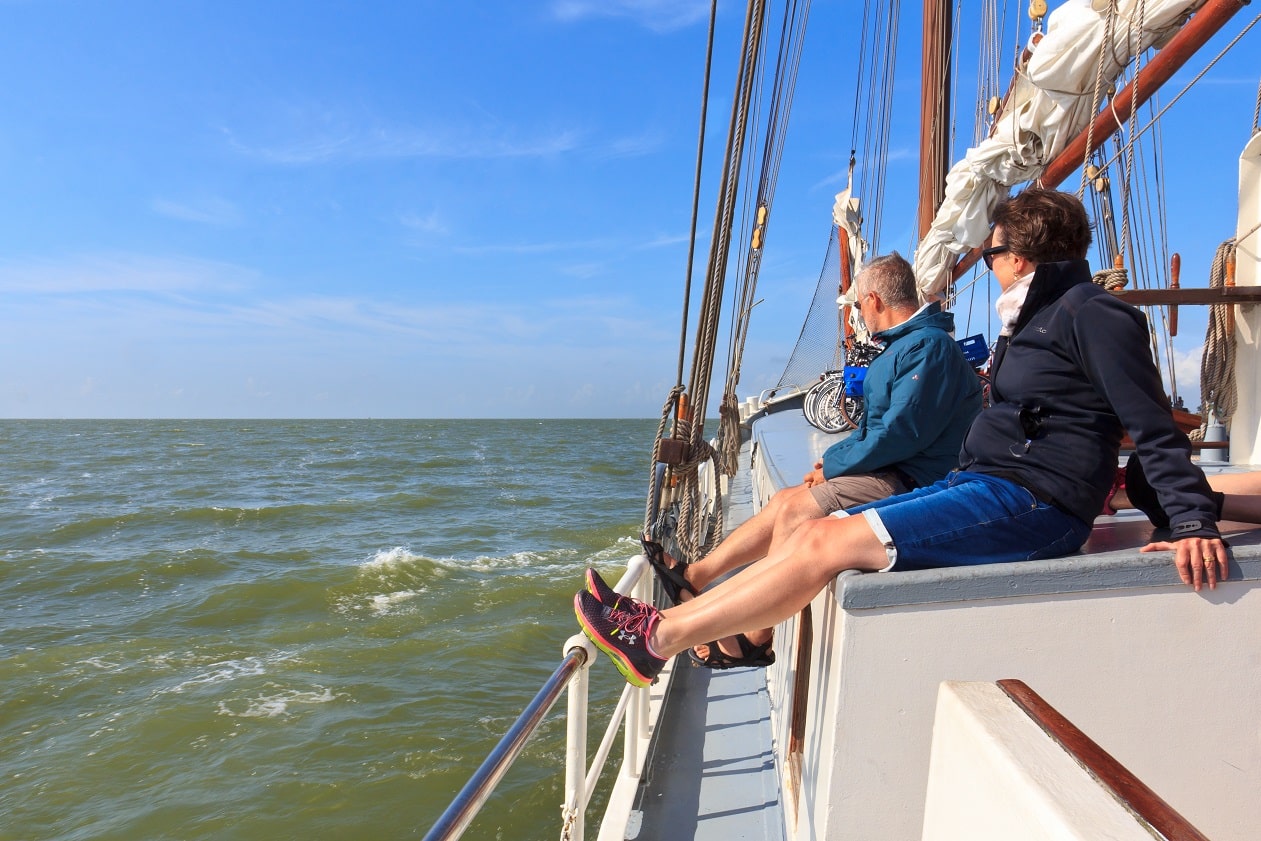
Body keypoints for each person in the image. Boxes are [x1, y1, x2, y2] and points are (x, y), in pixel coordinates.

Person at [576, 188, 1229, 689]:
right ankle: (686, 619)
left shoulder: (1091, 312)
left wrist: (1191, 516)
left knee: (826, 538)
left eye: (991, 253)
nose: (987, 263)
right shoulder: (1033, 320)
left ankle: (656, 637)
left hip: (1038, 504)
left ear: (1020, 257)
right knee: (804, 532)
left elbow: (1146, 420)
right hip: (988, 486)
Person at [647, 252, 982, 670]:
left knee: (798, 511)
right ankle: (696, 576)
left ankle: (753, 637)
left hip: (915, 481)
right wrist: (836, 463)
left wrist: (833, 464)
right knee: (785, 500)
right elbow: (880, 428)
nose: (859, 314)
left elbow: (901, 433)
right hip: (894, 468)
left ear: (875, 300)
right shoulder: (908, 347)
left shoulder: (928, 349)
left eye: (858, 305)